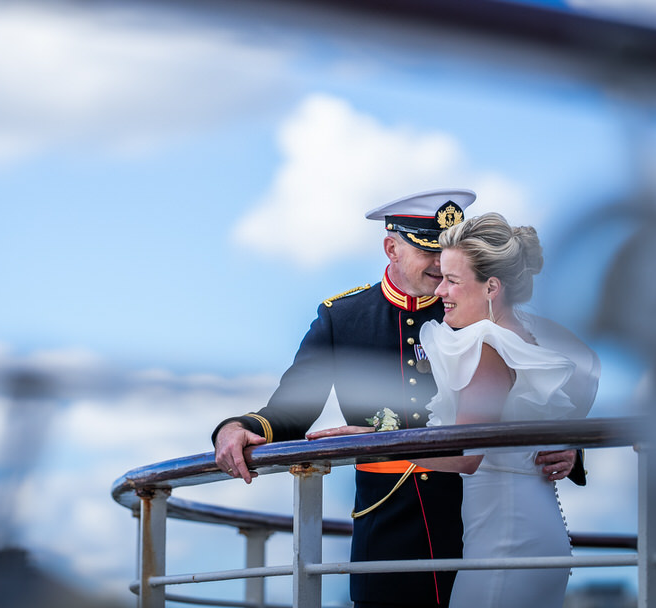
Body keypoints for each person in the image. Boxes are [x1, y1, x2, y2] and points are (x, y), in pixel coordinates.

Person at [213, 189, 582, 608]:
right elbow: (292, 410)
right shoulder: (345, 318)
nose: (441, 267)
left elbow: (540, 384)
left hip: (475, 521)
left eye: (447, 255)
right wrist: (238, 427)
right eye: (429, 251)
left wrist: (566, 447)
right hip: (390, 530)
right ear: (391, 247)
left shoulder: (476, 308)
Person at [409, 212, 599, 607]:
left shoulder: (491, 345)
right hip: (533, 530)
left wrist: (370, 443)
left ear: (492, 286)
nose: (440, 290)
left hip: (505, 542)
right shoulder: (528, 335)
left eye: (453, 280)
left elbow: (464, 455)